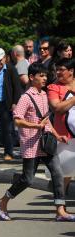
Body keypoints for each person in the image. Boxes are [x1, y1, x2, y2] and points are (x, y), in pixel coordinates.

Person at [0, 62, 74, 221]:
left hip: (46, 143)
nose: (45, 78)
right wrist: (37, 126)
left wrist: (58, 136)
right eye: (41, 76)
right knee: (27, 179)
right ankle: (2, 202)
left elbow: (46, 121)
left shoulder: (44, 95)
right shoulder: (26, 97)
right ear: (31, 77)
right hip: (31, 144)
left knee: (58, 173)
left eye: (45, 75)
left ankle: (60, 211)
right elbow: (17, 120)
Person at [47, 58, 75, 194]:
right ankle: (60, 206)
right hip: (65, 138)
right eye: (56, 69)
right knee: (65, 174)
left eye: (61, 69)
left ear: (71, 71)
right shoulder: (54, 87)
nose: (57, 72)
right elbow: (57, 108)